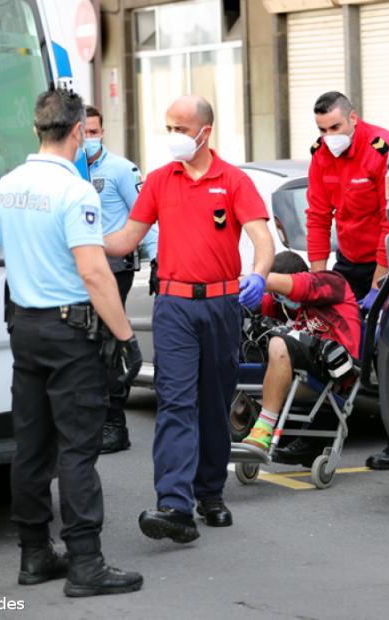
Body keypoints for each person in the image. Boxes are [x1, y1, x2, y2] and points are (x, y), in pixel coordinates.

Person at [0, 88, 143, 598]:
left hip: (26, 332)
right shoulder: (76, 191)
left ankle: (34, 554)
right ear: (78, 131)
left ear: (37, 129)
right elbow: (95, 272)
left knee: (31, 448)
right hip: (71, 335)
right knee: (78, 449)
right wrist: (125, 337)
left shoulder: (7, 188)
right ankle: (85, 564)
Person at [105, 95, 274, 543]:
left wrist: (258, 275)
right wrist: (77, 239)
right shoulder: (159, 181)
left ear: (205, 132)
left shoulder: (234, 181)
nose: (174, 137)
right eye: (169, 128)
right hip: (174, 306)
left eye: (181, 128)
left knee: (215, 406)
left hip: (221, 306)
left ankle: (211, 493)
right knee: (176, 403)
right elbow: (126, 240)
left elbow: (262, 238)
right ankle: (173, 505)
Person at [303, 91, 389, 470]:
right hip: (348, 260)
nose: (330, 136)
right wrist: (318, 278)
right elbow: (316, 216)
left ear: (354, 118)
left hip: (388, 262)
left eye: (335, 127)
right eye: (322, 129)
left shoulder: (383, 150)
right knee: (324, 340)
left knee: (384, 351)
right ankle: (317, 434)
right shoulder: (321, 154)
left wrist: (378, 285)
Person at [84, 105, 160, 455]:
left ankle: (115, 422)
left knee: (108, 337)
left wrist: (159, 258)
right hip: (81, 268)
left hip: (116, 266)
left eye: (94, 132)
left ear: (102, 133)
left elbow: (146, 215)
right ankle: (94, 417)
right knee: (87, 342)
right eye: (83, 132)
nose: (89, 139)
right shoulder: (69, 171)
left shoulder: (120, 170)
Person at [239, 251, 360, 456]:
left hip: (334, 368)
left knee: (278, 343)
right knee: (245, 334)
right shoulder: (284, 307)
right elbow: (252, 304)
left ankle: (263, 430)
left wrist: (254, 279)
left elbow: (297, 286)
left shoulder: (330, 284)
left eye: (279, 292)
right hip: (300, 368)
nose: (278, 298)